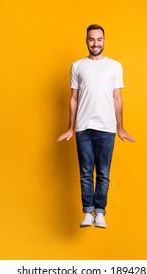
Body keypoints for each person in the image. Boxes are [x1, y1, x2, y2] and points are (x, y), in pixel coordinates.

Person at [57, 24, 135, 228]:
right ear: (86, 41)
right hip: (83, 126)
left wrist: (121, 127)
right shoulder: (77, 66)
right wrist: (70, 127)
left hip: (107, 127)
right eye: (91, 39)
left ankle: (100, 212)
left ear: (104, 40)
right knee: (85, 172)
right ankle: (88, 212)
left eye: (99, 39)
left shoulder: (115, 66)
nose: (95, 43)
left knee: (103, 172)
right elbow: (73, 98)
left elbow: (117, 98)